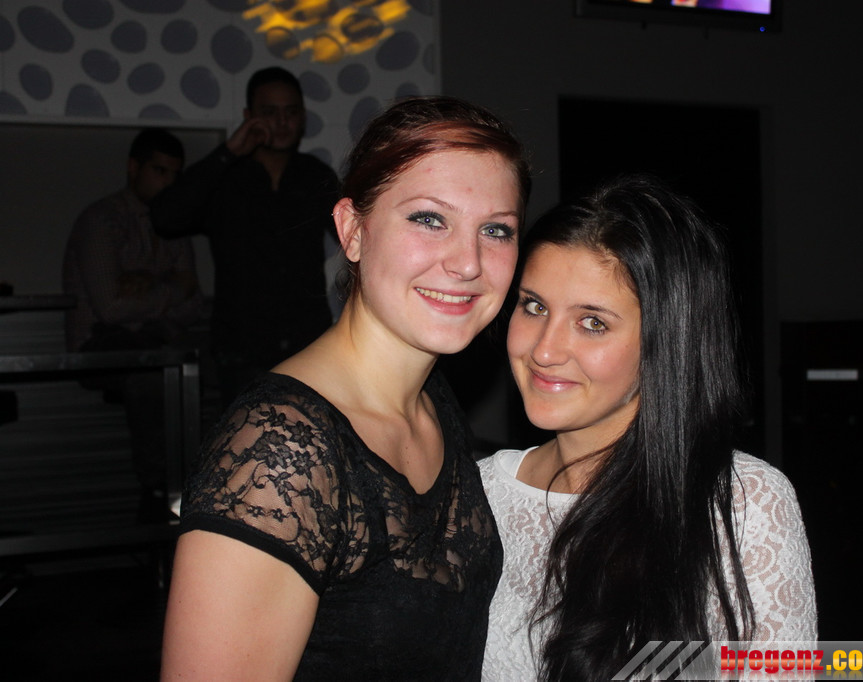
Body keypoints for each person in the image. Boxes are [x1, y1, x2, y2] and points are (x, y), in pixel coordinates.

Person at [161, 96, 532, 680]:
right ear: (352, 231)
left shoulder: (432, 402)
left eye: (495, 229)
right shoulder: (279, 450)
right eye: (429, 219)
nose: (468, 262)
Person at [478, 174, 816, 681]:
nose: (544, 350)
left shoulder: (744, 505)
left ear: (664, 341)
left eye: (592, 322)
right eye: (534, 306)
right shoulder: (477, 493)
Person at [150, 66, 340, 405]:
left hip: (309, 347)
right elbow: (165, 217)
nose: (281, 122)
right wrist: (229, 151)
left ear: (302, 117)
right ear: (249, 116)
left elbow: (357, 238)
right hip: (241, 351)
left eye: (290, 112)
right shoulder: (226, 178)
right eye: (270, 112)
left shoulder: (315, 176)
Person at [62, 127, 204, 516]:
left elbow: (194, 304)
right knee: (151, 373)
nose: (168, 182)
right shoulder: (102, 220)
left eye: (174, 174)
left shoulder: (173, 226)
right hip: (99, 343)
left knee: (206, 358)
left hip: (156, 339)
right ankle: (159, 493)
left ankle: (199, 487)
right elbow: (111, 308)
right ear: (133, 168)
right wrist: (171, 288)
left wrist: (143, 288)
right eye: (159, 170)